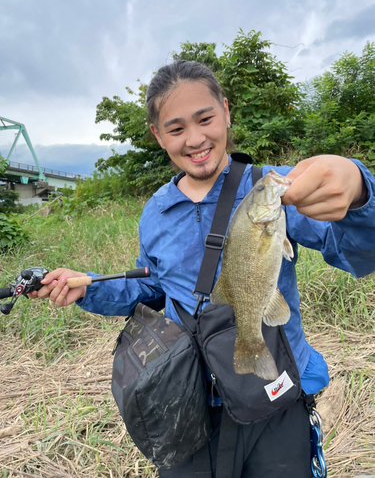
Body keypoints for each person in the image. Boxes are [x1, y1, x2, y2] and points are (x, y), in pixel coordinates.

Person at [31, 60, 375, 477]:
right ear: (158, 136)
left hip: (276, 391)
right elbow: (153, 288)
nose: (195, 139)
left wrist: (359, 193)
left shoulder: (273, 188)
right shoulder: (156, 213)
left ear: (226, 111)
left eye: (205, 118)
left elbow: (360, 254)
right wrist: (87, 288)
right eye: (176, 129)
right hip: (188, 399)